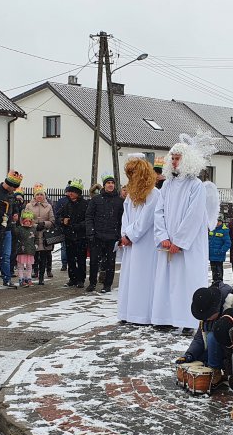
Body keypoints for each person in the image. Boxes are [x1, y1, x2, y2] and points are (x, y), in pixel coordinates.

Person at [151, 132, 218, 330]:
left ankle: (189, 320)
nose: (174, 161)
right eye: (172, 157)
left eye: (177, 158)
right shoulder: (168, 185)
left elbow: (194, 216)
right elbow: (159, 211)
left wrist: (179, 241)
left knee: (187, 281)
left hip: (187, 245)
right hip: (168, 243)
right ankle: (166, 318)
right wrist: (163, 236)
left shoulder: (195, 186)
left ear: (186, 160)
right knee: (167, 281)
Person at [118, 155, 159, 323]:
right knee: (129, 277)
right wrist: (124, 235)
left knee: (143, 278)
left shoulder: (153, 194)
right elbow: (125, 216)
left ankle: (142, 315)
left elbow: (147, 219)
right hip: (131, 242)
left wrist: (130, 235)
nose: (131, 177)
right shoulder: (130, 195)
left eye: (134, 173)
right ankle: (128, 313)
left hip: (145, 243)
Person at [175, 282, 233, 386]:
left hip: (231, 352)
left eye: (208, 316)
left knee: (212, 336)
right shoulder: (207, 313)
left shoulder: (232, 308)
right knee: (196, 359)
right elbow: (199, 338)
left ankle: (215, 370)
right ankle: (211, 364)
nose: (206, 318)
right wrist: (189, 355)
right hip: (216, 350)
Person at [85, 173, 123, 293]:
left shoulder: (120, 201)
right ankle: (92, 283)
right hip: (97, 236)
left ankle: (107, 285)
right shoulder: (96, 199)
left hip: (112, 237)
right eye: (108, 183)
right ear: (104, 185)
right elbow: (89, 216)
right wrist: (91, 232)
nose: (110, 185)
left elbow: (122, 219)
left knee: (110, 262)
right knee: (94, 261)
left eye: (112, 183)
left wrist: (120, 235)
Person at [0, 170, 23, 289]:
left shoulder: (11, 194)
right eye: (14, 188)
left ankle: (6, 279)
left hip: (8, 228)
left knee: (6, 255)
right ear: (9, 185)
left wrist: (15, 213)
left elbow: (13, 207)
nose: (14, 191)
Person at [58, 179, 88, 288]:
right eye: (69, 191)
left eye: (72, 191)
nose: (70, 193)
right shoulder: (66, 204)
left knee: (81, 259)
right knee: (70, 259)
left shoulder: (85, 204)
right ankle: (72, 279)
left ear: (78, 193)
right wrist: (62, 220)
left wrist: (78, 226)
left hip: (81, 236)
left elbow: (88, 220)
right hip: (69, 236)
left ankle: (81, 279)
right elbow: (58, 217)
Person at [25, 184, 55, 285]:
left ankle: (41, 277)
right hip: (33, 234)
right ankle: (34, 272)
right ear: (34, 196)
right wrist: (34, 225)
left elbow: (52, 220)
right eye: (37, 194)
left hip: (44, 235)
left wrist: (44, 224)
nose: (39, 196)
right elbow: (25, 219)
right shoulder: (29, 206)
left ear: (44, 196)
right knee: (33, 256)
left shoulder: (49, 206)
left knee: (43, 257)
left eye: (41, 195)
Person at [12, 210, 36, 287]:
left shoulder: (33, 229)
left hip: (30, 250)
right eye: (25, 221)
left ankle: (28, 278)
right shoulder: (19, 229)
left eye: (29, 221)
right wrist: (14, 222)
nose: (27, 222)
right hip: (21, 250)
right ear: (22, 221)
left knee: (29, 266)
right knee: (20, 266)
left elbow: (36, 239)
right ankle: (21, 279)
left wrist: (35, 245)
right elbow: (14, 232)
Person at [208, 214, 231, 283]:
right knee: (213, 269)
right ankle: (214, 282)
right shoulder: (211, 229)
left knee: (218, 269)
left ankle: (219, 283)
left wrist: (221, 251)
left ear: (222, 222)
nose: (217, 223)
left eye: (219, 221)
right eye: (215, 221)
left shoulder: (224, 231)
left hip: (219, 255)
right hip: (211, 254)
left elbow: (228, 243)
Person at [54, 182, 71, 271]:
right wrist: (62, 221)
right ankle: (65, 263)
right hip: (65, 227)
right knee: (65, 246)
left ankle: (65, 263)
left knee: (64, 246)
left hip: (68, 227)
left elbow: (56, 214)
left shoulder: (61, 201)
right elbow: (57, 215)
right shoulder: (62, 201)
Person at [10, 187, 25, 277]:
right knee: (12, 251)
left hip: (21, 230)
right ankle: (11, 269)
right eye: (17, 199)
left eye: (21, 199)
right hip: (13, 230)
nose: (19, 200)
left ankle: (19, 267)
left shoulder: (24, 208)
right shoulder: (13, 207)